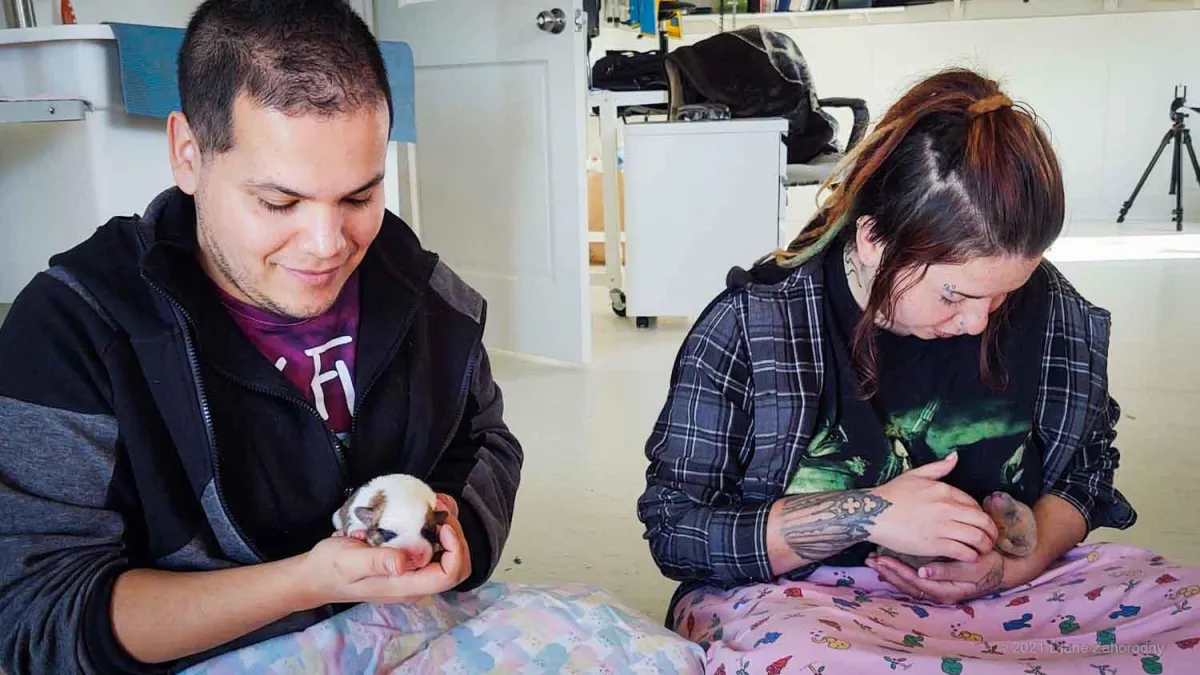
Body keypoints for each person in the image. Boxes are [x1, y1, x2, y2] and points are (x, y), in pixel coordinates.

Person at [0, 1, 523, 672]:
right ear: (188, 155)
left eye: (360, 197)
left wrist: (457, 526)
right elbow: (33, 613)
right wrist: (306, 582)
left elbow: (483, 440)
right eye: (279, 203)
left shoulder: (427, 297)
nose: (328, 246)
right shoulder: (73, 332)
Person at [639, 68, 1200, 671]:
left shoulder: (1053, 308)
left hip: (1016, 596)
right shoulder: (754, 326)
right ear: (875, 241)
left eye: (1005, 294)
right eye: (954, 295)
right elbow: (679, 529)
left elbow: (1086, 471)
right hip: (815, 606)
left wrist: (1018, 562)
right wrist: (871, 512)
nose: (981, 322)